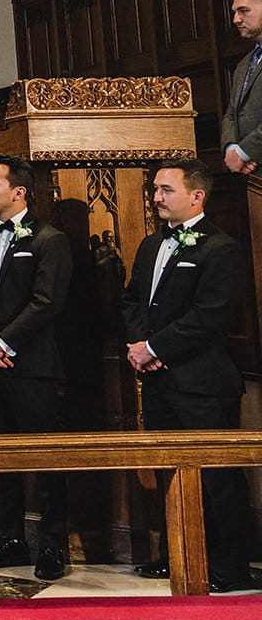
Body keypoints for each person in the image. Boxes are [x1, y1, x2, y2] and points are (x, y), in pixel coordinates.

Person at [121, 159, 259, 592]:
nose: (156, 197)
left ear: (197, 196)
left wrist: (155, 348)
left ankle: (230, 567)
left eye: (166, 190)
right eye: (156, 190)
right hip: (160, 383)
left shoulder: (221, 248)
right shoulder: (149, 245)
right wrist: (138, 346)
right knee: (170, 474)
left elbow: (210, 317)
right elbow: (132, 303)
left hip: (204, 386)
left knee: (217, 479)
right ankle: (177, 554)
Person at [0, 155, 72, 580]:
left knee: (45, 459)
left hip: (33, 368)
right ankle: (10, 538)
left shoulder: (50, 240)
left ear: (18, 191)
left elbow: (46, 302)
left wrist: (2, 342)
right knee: (0, 455)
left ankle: (54, 546)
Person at [219, 0, 262, 175]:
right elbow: (231, 113)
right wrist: (231, 149)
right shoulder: (244, 64)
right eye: (235, 12)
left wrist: (244, 153)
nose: (236, 19)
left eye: (243, 11)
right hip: (253, 175)